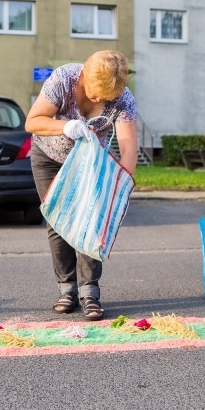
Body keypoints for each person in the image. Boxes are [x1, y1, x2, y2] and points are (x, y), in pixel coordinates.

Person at [25, 50, 138, 320]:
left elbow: (128, 145)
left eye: (106, 98)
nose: (99, 101)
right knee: (57, 219)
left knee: (91, 219)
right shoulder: (63, 79)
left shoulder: (123, 99)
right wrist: (66, 126)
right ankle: (67, 290)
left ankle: (90, 292)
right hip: (49, 157)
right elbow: (33, 121)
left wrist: (121, 183)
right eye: (95, 94)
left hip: (90, 161)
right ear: (85, 75)